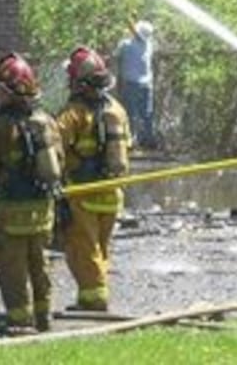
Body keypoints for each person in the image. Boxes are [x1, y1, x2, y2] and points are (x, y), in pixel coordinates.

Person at [0, 53, 65, 336]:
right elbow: (60, 164)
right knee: (38, 264)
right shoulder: (48, 122)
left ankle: (20, 322)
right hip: (43, 211)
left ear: (5, 91)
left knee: (12, 269)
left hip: (7, 214)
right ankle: (44, 318)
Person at [55, 46, 132, 312]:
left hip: (82, 193)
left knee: (83, 249)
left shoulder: (73, 114)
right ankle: (90, 295)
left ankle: (94, 298)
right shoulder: (118, 110)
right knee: (100, 247)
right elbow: (127, 147)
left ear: (78, 81)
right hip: (112, 192)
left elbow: (54, 147)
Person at [115, 19, 156, 148]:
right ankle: (148, 139)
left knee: (130, 113)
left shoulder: (125, 45)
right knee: (147, 113)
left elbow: (117, 55)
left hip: (131, 83)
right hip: (147, 84)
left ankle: (132, 139)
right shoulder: (149, 45)